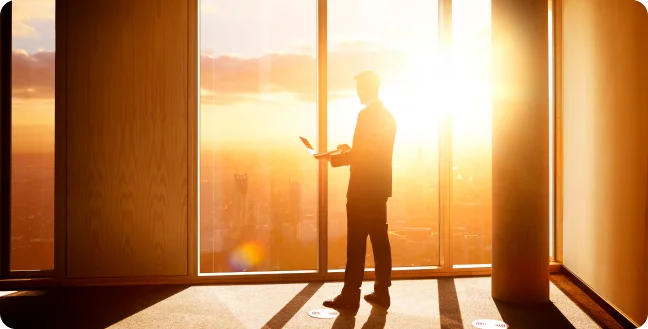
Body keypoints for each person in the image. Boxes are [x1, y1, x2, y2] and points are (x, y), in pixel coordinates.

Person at [318, 71, 397, 309]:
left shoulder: (366, 116)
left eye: (359, 88)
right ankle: (382, 292)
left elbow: (364, 155)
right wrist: (349, 150)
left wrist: (332, 158)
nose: (357, 93)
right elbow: (373, 152)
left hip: (362, 190)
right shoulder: (388, 116)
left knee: (356, 244)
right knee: (380, 241)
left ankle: (350, 295)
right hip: (379, 189)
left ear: (366, 88)